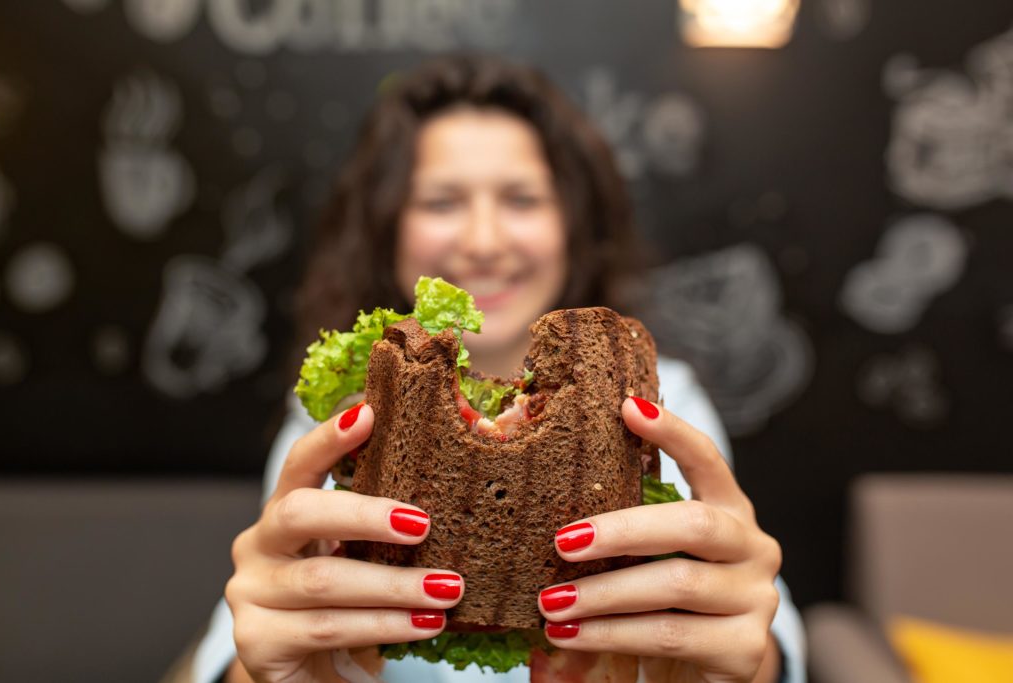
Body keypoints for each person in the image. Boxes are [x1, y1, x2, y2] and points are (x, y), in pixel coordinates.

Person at [191, 54, 805, 683]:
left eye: (521, 198)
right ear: (388, 229)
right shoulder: (341, 414)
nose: (484, 241)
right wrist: (284, 667)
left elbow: (761, 627)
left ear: (571, 223)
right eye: (440, 201)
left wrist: (732, 663)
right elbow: (232, 643)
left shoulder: (665, 403)